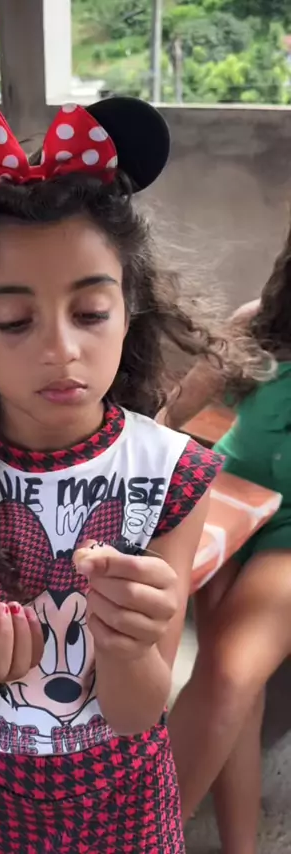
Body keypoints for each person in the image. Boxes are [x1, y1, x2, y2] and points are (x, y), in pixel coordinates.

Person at [0, 95, 230, 854]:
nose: (60, 349)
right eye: (13, 321)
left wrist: (131, 644)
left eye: (90, 312)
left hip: (125, 808)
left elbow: (138, 712)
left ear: (128, 311)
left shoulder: (170, 474)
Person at [166, 215, 291, 854]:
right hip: (225, 500)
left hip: (286, 532)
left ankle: (136, 837)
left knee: (229, 674)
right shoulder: (261, 324)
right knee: (233, 686)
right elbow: (173, 411)